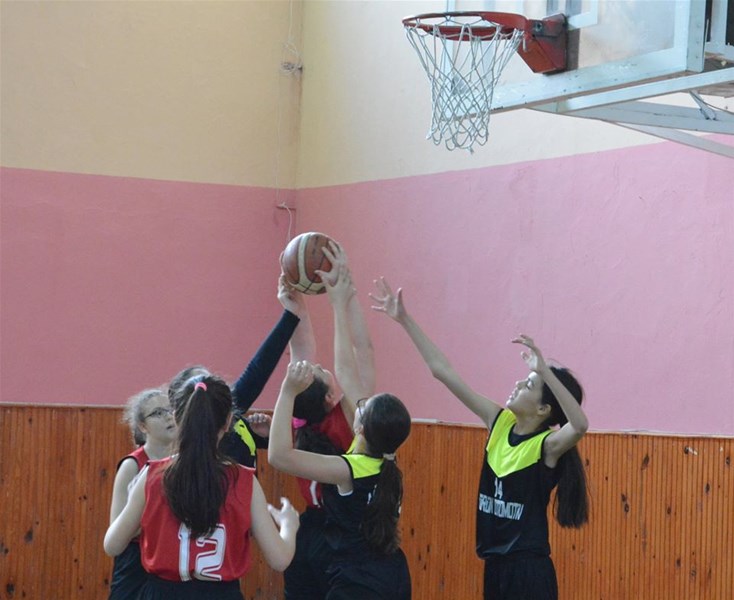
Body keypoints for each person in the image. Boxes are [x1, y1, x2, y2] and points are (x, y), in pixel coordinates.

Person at [370, 277, 589, 600]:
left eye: (529, 385)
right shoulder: (498, 422)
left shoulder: (546, 447)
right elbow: (443, 371)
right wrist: (404, 319)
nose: (518, 384)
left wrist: (544, 371)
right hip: (494, 568)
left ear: (543, 409)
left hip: (529, 573)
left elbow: (579, 425)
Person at [269, 263, 412, 600]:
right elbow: (358, 358)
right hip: (393, 573)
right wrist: (343, 300)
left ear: (360, 426)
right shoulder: (386, 462)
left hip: (357, 577)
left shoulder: (347, 468)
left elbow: (278, 456)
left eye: (363, 406)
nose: (358, 400)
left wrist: (339, 302)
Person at [104, 375, 300, 599]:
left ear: (177, 418)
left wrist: (139, 506)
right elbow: (280, 559)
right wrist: (288, 525)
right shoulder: (243, 480)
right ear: (228, 421)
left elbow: (112, 545)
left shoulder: (152, 475)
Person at [280, 243, 376, 600]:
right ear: (328, 397)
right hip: (340, 534)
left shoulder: (297, 422)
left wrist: (294, 306)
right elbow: (361, 353)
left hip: (307, 533)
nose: (318, 365)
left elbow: (301, 352)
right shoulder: (347, 421)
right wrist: (343, 297)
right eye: (321, 371)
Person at [168, 275, 302, 469]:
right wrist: (290, 315)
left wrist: (268, 435)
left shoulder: (232, 418)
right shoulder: (214, 427)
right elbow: (258, 369)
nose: (210, 387)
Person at [108, 387, 177, 600]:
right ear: (142, 426)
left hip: (170, 560)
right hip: (135, 563)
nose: (168, 416)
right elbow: (117, 528)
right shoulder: (132, 465)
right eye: (158, 413)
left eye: (170, 410)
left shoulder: (183, 462)